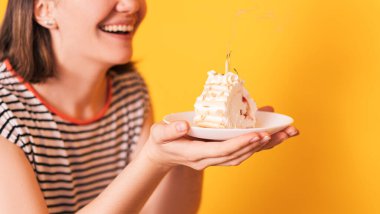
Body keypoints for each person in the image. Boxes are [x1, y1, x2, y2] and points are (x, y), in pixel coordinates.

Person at [0, 0, 299, 213]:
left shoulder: (129, 92)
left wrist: (192, 155)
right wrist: (153, 160)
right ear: (45, 9)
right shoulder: (5, 110)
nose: (132, 5)